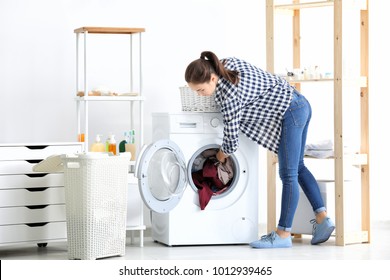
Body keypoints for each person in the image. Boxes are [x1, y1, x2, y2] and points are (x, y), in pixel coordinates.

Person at [184, 51, 335, 248]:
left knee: (288, 174)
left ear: (213, 78)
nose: (199, 95)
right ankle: (323, 219)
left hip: (291, 111)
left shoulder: (228, 95)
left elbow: (231, 142)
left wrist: (219, 156)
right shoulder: (227, 64)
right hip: (300, 103)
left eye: (201, 90)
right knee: (298, 168)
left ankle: (283, 234)